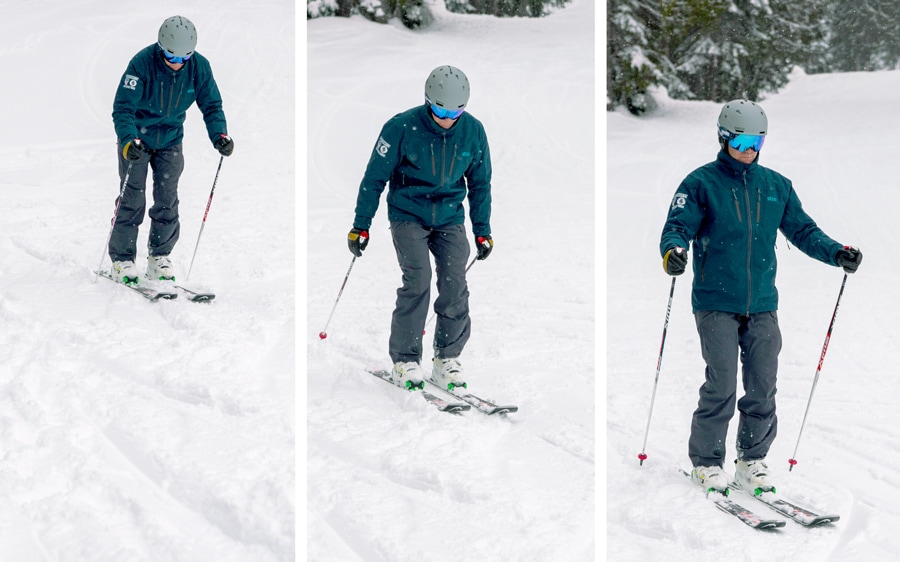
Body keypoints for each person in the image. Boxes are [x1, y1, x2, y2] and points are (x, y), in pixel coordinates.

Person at [659, 99, 863, 495]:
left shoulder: (776, 186)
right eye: (743, 140)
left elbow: (804, 231)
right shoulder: (700, 184)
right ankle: (706, 462)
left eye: (758, 141)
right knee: (721, 385)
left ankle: (751, 460)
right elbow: (677, 226)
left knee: (763, 385)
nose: (750, 149)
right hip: (716, 300)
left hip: (763, 304)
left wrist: (837, 252)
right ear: (723, 138)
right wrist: (673, 251)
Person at [348, 65, 493, 391]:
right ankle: (405, 360)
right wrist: (361, 225)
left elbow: (480, 184)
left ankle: (446, 359)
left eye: (456, 110)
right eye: (441, 109)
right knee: (419, 280)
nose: (447, 117)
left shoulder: (473, 131)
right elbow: (374, 179)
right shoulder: (400, 127)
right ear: (429, 102)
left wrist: (482, 230)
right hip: (408, 214)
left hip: (449, 217)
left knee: (455, 284)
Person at [109, 15, 234, 285]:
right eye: (170, 57)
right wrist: (129, 140)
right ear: (160, 47)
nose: (176, 64)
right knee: (132, 199)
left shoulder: (199, 67)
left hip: (170, 139)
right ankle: (122, 259)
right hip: (137, 141)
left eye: (182, 59)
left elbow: (212, 105)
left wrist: (219, 135)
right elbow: (123, 108)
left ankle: (159, 257)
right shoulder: (141, 64)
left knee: (167, 199)